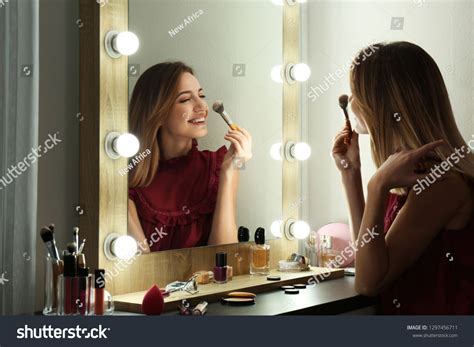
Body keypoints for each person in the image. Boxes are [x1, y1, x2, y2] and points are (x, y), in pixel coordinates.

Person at [332, 41, 474, 314]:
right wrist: (351, 175)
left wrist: (376, 186)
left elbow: (367, 282)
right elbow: (369, 257)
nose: (350, 102)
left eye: (356, 92)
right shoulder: (409, 177)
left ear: (381, 103)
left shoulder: (439, 184)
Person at [128, 62, 252, 252]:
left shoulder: (218, 166)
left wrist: (229, 171)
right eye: (185, 99)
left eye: (201, 96)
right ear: (157, 113)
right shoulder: (128, 182)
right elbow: (140, 270)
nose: (202, 105)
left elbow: (224, 257)